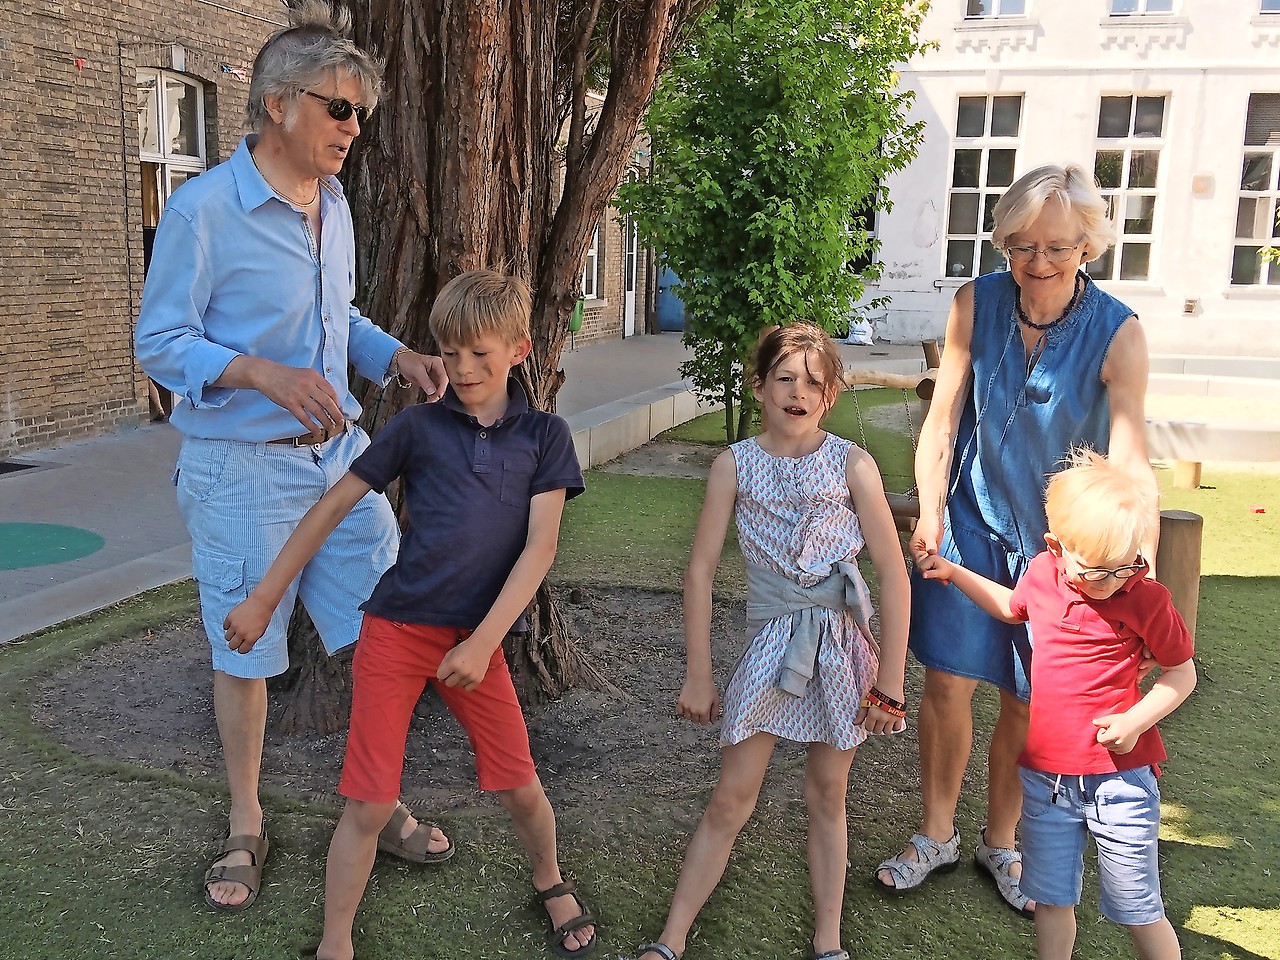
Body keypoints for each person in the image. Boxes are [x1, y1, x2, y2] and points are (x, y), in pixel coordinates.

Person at [134, 1, 450, 912]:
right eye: (338, 108)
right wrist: (258, 373)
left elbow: (337, 322)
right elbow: (158, 342)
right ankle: (245, 824)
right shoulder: (203, 211)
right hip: (240, 473)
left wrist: (397, 358)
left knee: (389, 638)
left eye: (361, 114)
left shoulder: (336, 205)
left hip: (341, 464)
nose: (354, 128)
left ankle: (376, 801)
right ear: (277, 103)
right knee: (246, 657)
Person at [224, 269, 594, 960]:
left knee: (520, 788)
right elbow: (331, 508)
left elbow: (540, 549)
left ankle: (549, 880)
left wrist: (483, 645)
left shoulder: (545, 437)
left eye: (480, 354)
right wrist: (264, 597)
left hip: (474, 644)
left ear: (518, 349)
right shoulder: (417, 427)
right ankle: (335, 941)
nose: (463, 369)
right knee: (368, 802)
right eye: (450, 354)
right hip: (395, 634)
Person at [874, 163, 1159, 916]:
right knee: (945, 684)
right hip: (968, 523)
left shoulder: (1120, 335)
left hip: (1059, 547)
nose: (1037, 263)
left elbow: (1131, 455)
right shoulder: (975, 304)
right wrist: (931, 509)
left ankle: (1002, 843)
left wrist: (1135, 547)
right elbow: (943, 418)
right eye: (1022, 246)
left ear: (1088, 247)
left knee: (1027, 699)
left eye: (1056, 248)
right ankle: (936, 833)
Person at [632, 323, 911, 960]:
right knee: (732, 797)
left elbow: (894, 579)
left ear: (832, 395)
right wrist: (697, 672)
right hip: (772, 646)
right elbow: (700, 570)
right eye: (784, 377)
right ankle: (671, 938)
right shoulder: (734, 465)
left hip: (839, 648)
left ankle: (828, 940)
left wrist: (890, 684)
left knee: (827, 795)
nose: (798, 391)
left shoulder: (854, 465)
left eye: (814, 381)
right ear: (758, 386)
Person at [917, 448, 1195, 960]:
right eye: (1096, 572)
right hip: (1046, 780)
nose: (1113, 583)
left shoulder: (1145, 597)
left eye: (1124, 567)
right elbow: (1009, 606)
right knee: (1050, 898)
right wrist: (954, 573)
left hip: (1121, 779)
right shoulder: (1043, 574)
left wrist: (1137, 720)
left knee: (1139, 907)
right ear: (1056, 547)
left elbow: (1181, 672)